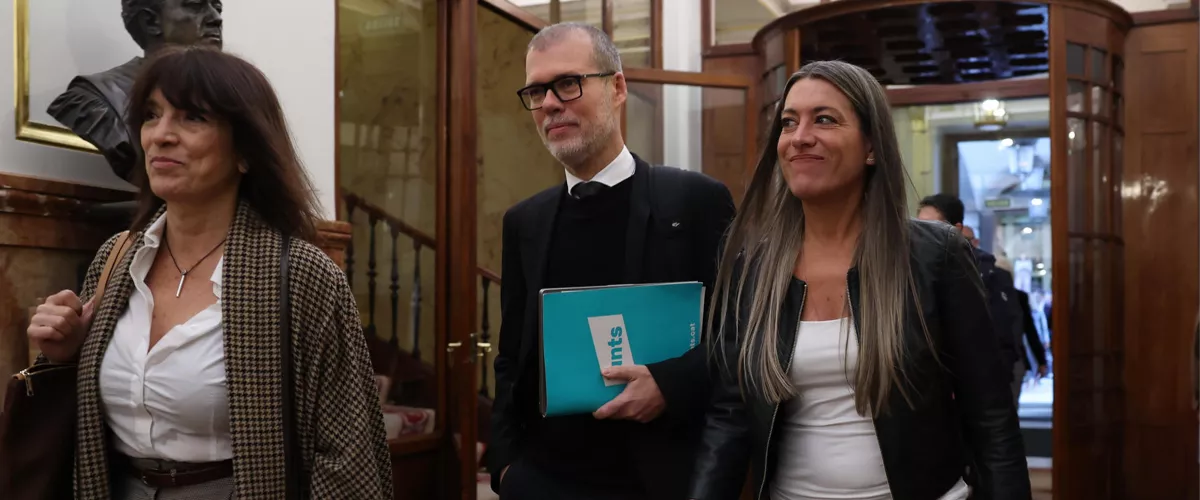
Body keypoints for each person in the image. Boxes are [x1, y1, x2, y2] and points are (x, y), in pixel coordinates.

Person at [26, 47, 393, 499]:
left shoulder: (300, 273)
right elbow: (77, 417)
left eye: (192, 118)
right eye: (151, 115)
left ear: (245, 152)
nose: (160, 135)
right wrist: (64, 354)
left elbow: (346, 454)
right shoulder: (116, 258)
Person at [688, 61, 1029, 500]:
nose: (799, 137)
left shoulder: (934, 255)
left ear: (871, 147)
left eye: (824, 119)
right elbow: (729, 416)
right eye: (789, 123)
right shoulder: (752, 265)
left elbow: (991, 416)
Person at [489, 22, 736, 500]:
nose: (551, 104)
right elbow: (511, 360)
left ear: (617, 87)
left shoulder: (694, 202)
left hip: (658, 479)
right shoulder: (524, 222)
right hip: (543, 482)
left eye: (567, 83)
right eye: (537, 91)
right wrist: (505, 469)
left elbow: (741, 334)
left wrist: (670, 383)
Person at [47, 0, 224, 182]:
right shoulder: (95, 101)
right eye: (195, 5)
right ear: (150, 21)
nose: (216, 18)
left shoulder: (234, 96)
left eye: (217, 8)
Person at [917, 193, 1023, 394]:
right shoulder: (912, 269)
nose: (922, 235)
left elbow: (1002, 330)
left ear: (955, 230)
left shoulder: (985, 273)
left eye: (931, 227)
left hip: (978, 384)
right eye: (919, 227)